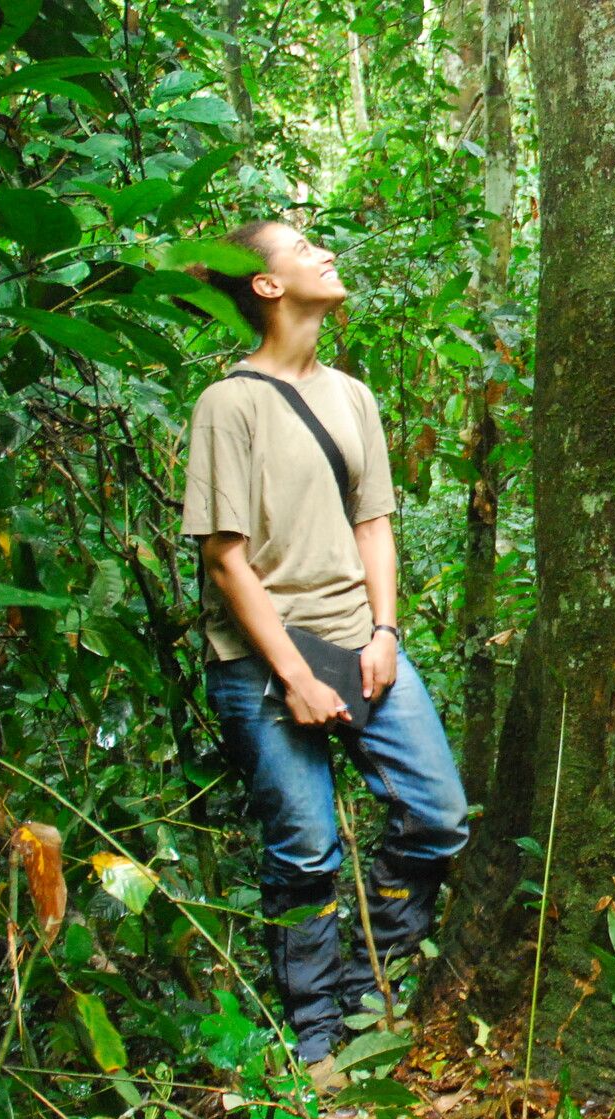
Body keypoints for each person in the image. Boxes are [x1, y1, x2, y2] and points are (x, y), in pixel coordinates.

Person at [180, 220, 469, 1070]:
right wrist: (297, 676)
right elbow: (225, 559)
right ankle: (319, 1038)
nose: (326, 254)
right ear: (267, 286)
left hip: (361, 641)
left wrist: (384, 633)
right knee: (305, 848)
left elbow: (373, 522)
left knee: (437, 815)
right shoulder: (226, 404)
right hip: (263, 663)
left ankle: (375, 989)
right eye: (303, 249)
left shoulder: (353, 396)